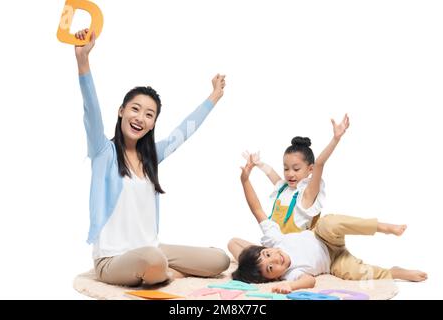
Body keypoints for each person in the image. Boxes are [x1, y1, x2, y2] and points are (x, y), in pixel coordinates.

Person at [74, 29, 230, 286]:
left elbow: (184, 131)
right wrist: (83, 62)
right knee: (154, 259)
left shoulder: (152, 157)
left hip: (151, 249)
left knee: (219, 260)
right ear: (121, 111)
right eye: (135, 109)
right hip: (112, 260)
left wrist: (214, 96)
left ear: (153, 123)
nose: (140, 118)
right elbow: (90, 109)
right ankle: (165, 272)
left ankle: (162, 272)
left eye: (149, 114)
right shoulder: (104, 153)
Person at [229, 155, 427, 293]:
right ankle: (395, 271)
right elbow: (310, 280)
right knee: (356, 273)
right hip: (334, 261)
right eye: (270, 268)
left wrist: (244, 179)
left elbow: (257, 210)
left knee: (328, 223)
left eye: (268, 255)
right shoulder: (291, 275)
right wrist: (291, 286)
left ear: (266, 248)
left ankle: (382, 227)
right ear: (272, 278)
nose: (275, 259)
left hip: (322, 236)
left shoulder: (275, 241)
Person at [241, 114, 350, 234]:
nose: (290, 174)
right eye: (286, 169)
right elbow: (271, 173)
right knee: (233, 243)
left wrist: (336, 139)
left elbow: (319, 163)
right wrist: (259, 164)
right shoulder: (283, 188)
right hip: (273, 248)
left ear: (310, 169)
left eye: (296, 169)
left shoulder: (308, 194)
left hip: (295, 250)